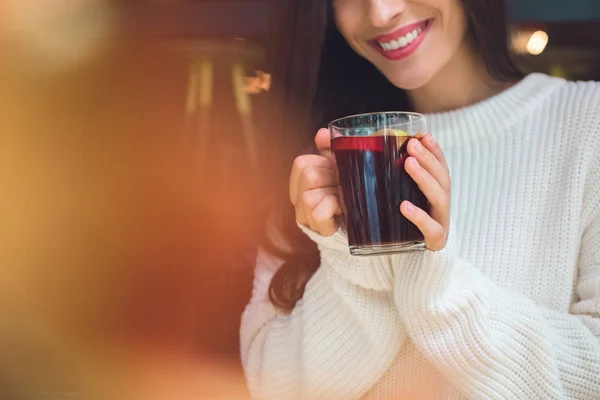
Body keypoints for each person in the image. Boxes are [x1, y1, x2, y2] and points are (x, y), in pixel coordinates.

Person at [241, 0, 600, 398]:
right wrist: (350, 255)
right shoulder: (318, 167)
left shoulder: (588, 124)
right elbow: (271, 388)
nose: (381, 13)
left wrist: (437, 286)